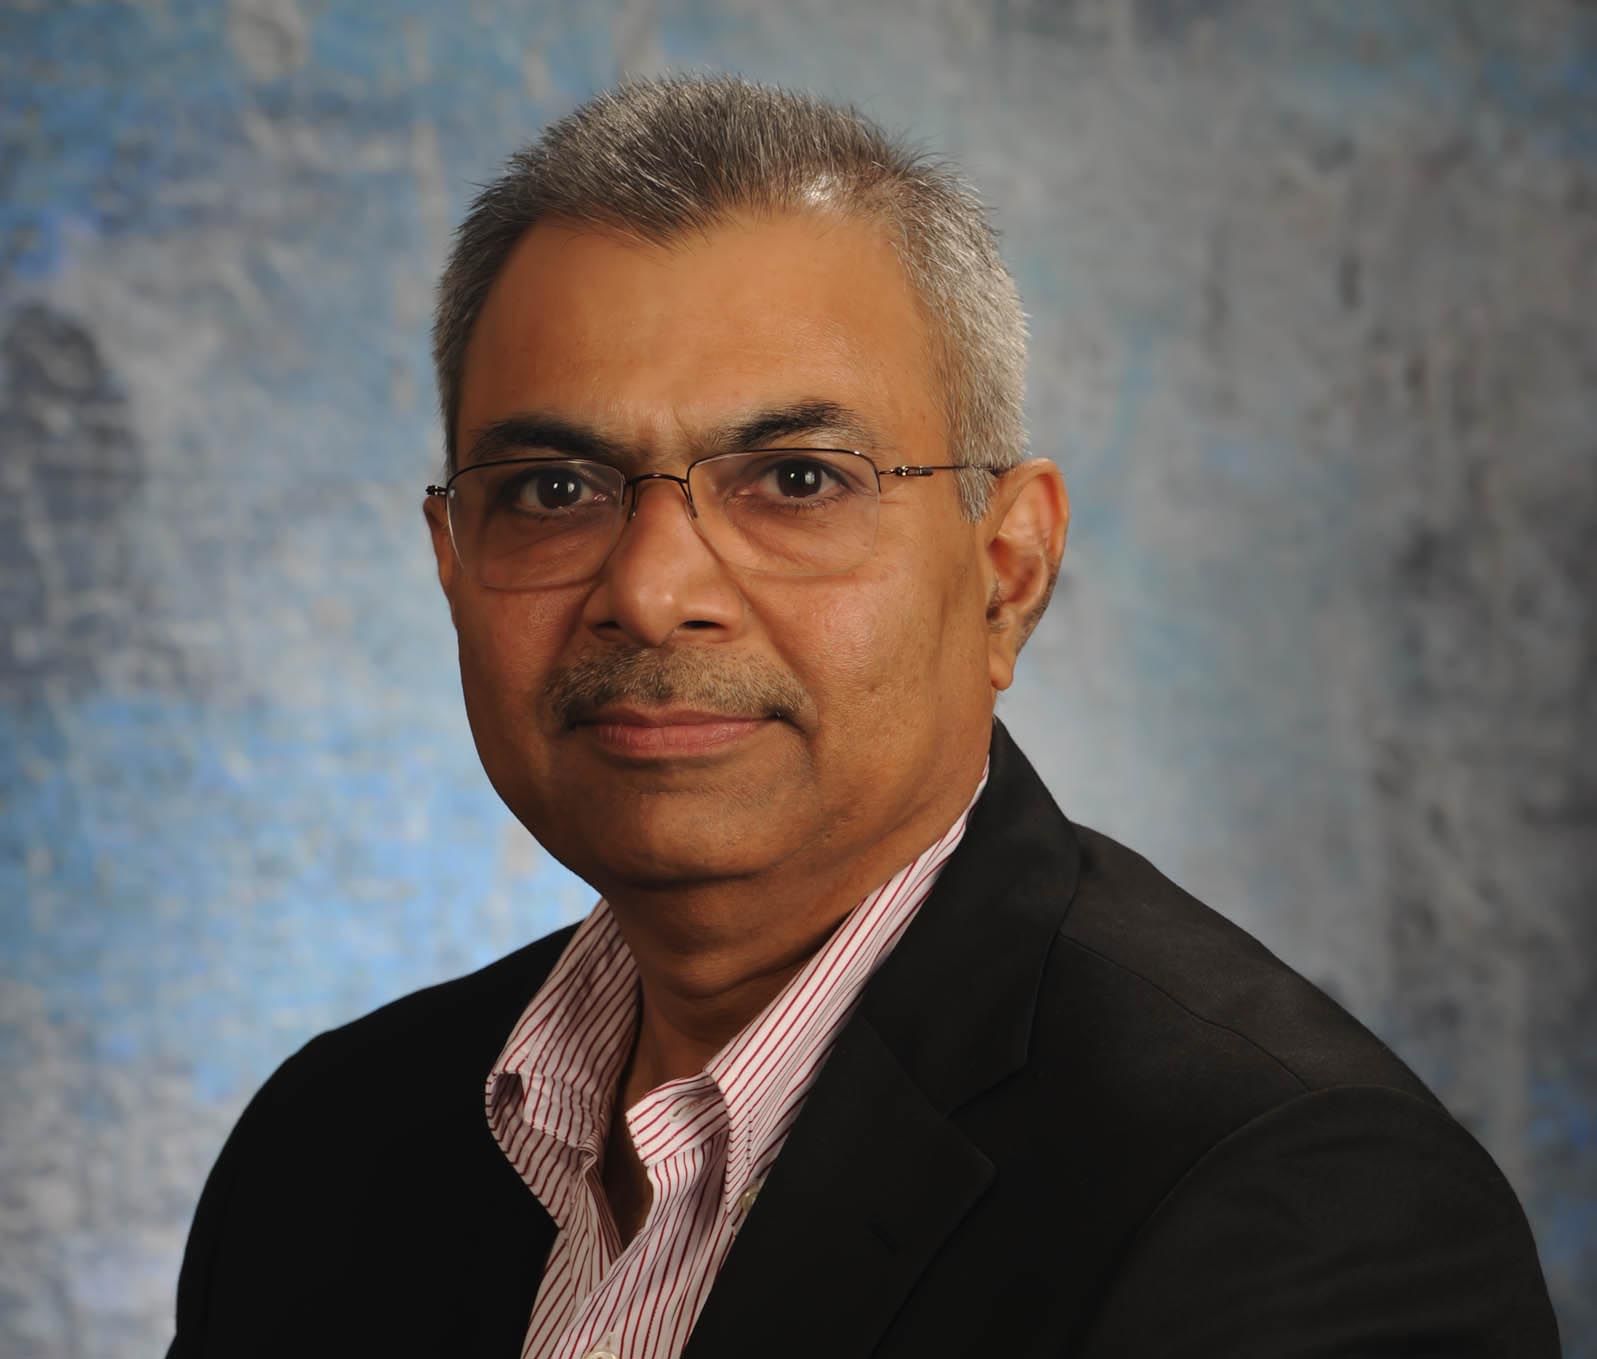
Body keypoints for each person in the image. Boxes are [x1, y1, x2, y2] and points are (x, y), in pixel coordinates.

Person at [167, 75, 1559, 1359]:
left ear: (1006, 570)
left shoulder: (1294, 1202)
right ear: (452, 563)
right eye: (553, 490)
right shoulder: (330, 1150)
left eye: (795, 480)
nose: (651, 592)